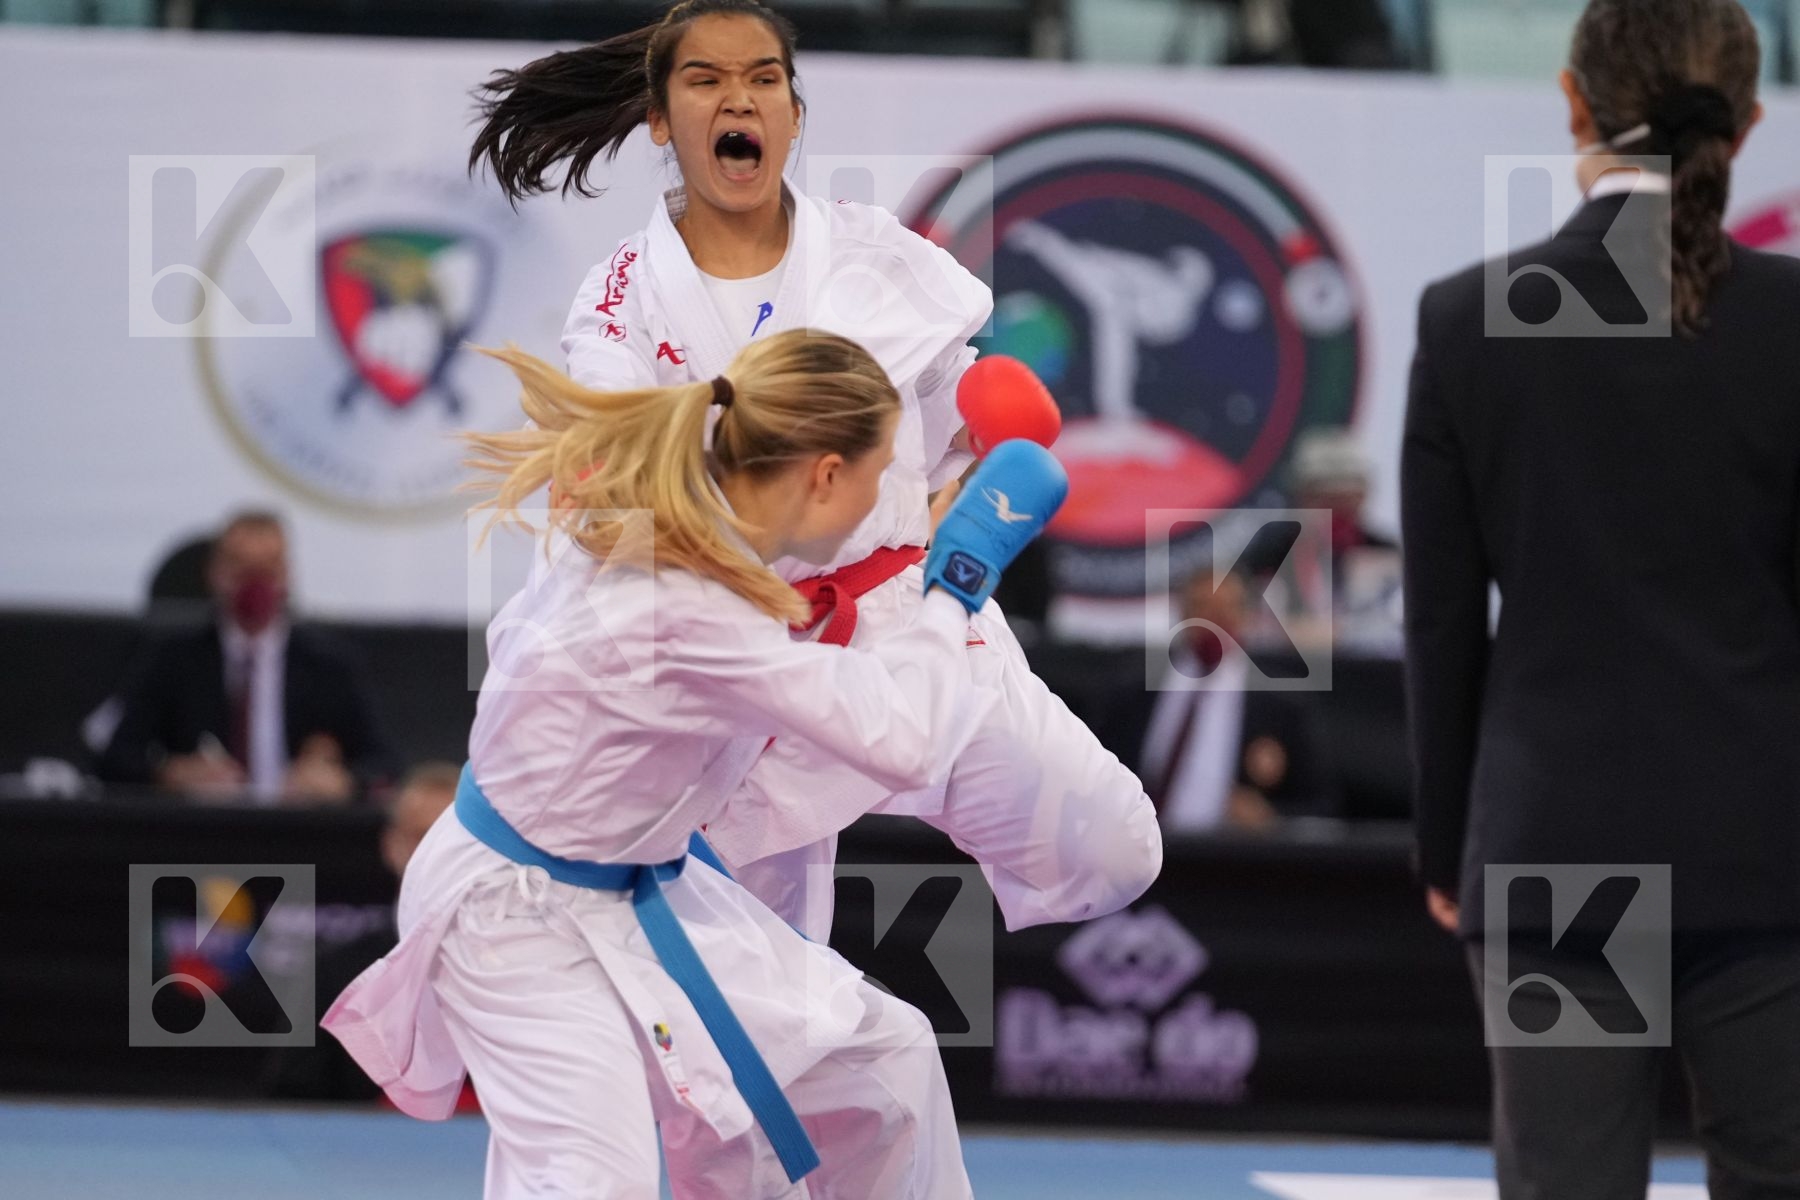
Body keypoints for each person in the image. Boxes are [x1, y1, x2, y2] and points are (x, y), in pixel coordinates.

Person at [469, 0, 1160, 941]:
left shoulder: (876, 255)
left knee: (1115, 846)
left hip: (902, 616)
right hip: (746, 671)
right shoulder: (624, 300)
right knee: (763, 999)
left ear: (793, 115)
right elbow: (603, 473)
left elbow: (957, 403)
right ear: (661, 122)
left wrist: (985, 406)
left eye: (762, 79)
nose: (737, 99)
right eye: (704, 80)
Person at [324, 329, 1062, 1198]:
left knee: (884, 1063)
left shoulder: (678, 515)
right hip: (512, 918)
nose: (880, 515)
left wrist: (953, 468)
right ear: (824, 476)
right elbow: (904, 738)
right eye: (878, 482)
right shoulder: (686, 602)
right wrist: (957, 577)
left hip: (634, 884)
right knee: (593, 1187)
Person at [1402, 2, 1800, 1196]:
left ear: (1572, 102)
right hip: (1770, 848)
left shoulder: (1466, 321)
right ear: (1749, 121)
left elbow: (1438, 627)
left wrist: (1446, 850)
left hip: (1552, 849)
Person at [93, 510, 394, 805]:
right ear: (213, 572)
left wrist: (342, 782)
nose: (254, 583)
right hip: (202, 836)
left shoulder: (328, 664)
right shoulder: (174, 658)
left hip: (300, 834)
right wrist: (172, 773)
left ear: (287, 576)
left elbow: (384, 764)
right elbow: (114, 758)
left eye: (268, 568)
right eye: (240, 567)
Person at [265, 762, 462, 1102]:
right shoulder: (335, 975)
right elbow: (293, 1104)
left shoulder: (523, 971)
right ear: (391, 845)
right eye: (419, 835)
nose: (432, 854)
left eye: (450, 839)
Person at [1099, 567, 1337, 832]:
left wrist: (1270, 819)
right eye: (1202, 607)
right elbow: (1098, 775)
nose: (1213, 621)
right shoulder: (1134, 693)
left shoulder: (1282, 705)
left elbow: (1320, 809)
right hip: (1142, 849)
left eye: (1225, 609)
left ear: (1246, 615)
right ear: (1181, 613)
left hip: (1230, 859)